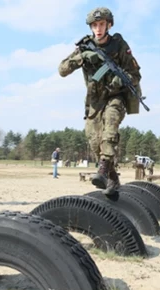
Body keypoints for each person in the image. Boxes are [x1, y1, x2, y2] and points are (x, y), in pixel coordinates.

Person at [58, 7, 142, 195]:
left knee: (110, 129)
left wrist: (120, 79)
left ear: (109, 25)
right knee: (94, 141)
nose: (98, 28)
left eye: (102, 24)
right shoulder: (85, 46)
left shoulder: (119, 45)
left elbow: (135, 74)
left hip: (115, 96)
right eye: (94, 25)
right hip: (95, 100)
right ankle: (112, 178)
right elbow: (62, 70)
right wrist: (81, 57)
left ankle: (103, 169)